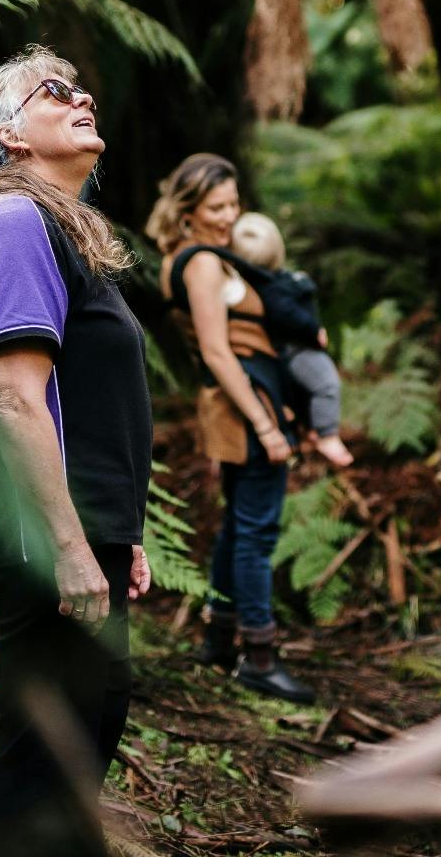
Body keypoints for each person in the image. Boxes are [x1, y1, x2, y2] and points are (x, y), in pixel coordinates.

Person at [0, 46, 153, 857]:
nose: (82, 96)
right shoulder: (15, 222)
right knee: (40, 772)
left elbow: (81, 402)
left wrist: (119, 532)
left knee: (73, 755)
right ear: (9, 137)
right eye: (55, 91)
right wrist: (66, 541)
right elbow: (15, 397)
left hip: (79, 533)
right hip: (41, 540)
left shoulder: (54, 231)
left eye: (84, 87)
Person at [146, 155, 315, 703]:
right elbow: (218, 353)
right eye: (216, 207)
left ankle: (220, 638)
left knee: (238, 526)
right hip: (246, 407)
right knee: (257, 533)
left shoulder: (191, 258)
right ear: (188, 211)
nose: (229, 216)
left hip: (236, 405)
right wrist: (267, 425)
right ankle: (260, 657)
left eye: (233, 204)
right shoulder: (199, 264)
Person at [228, 211, 353, 468]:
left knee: (305, 394)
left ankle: (311, 431)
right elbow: (287, 313)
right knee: (326, 384)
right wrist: (313, 330)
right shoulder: (273, 290)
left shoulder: (265, 283)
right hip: (298, 349)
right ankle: (327, 435)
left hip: (287, 352)